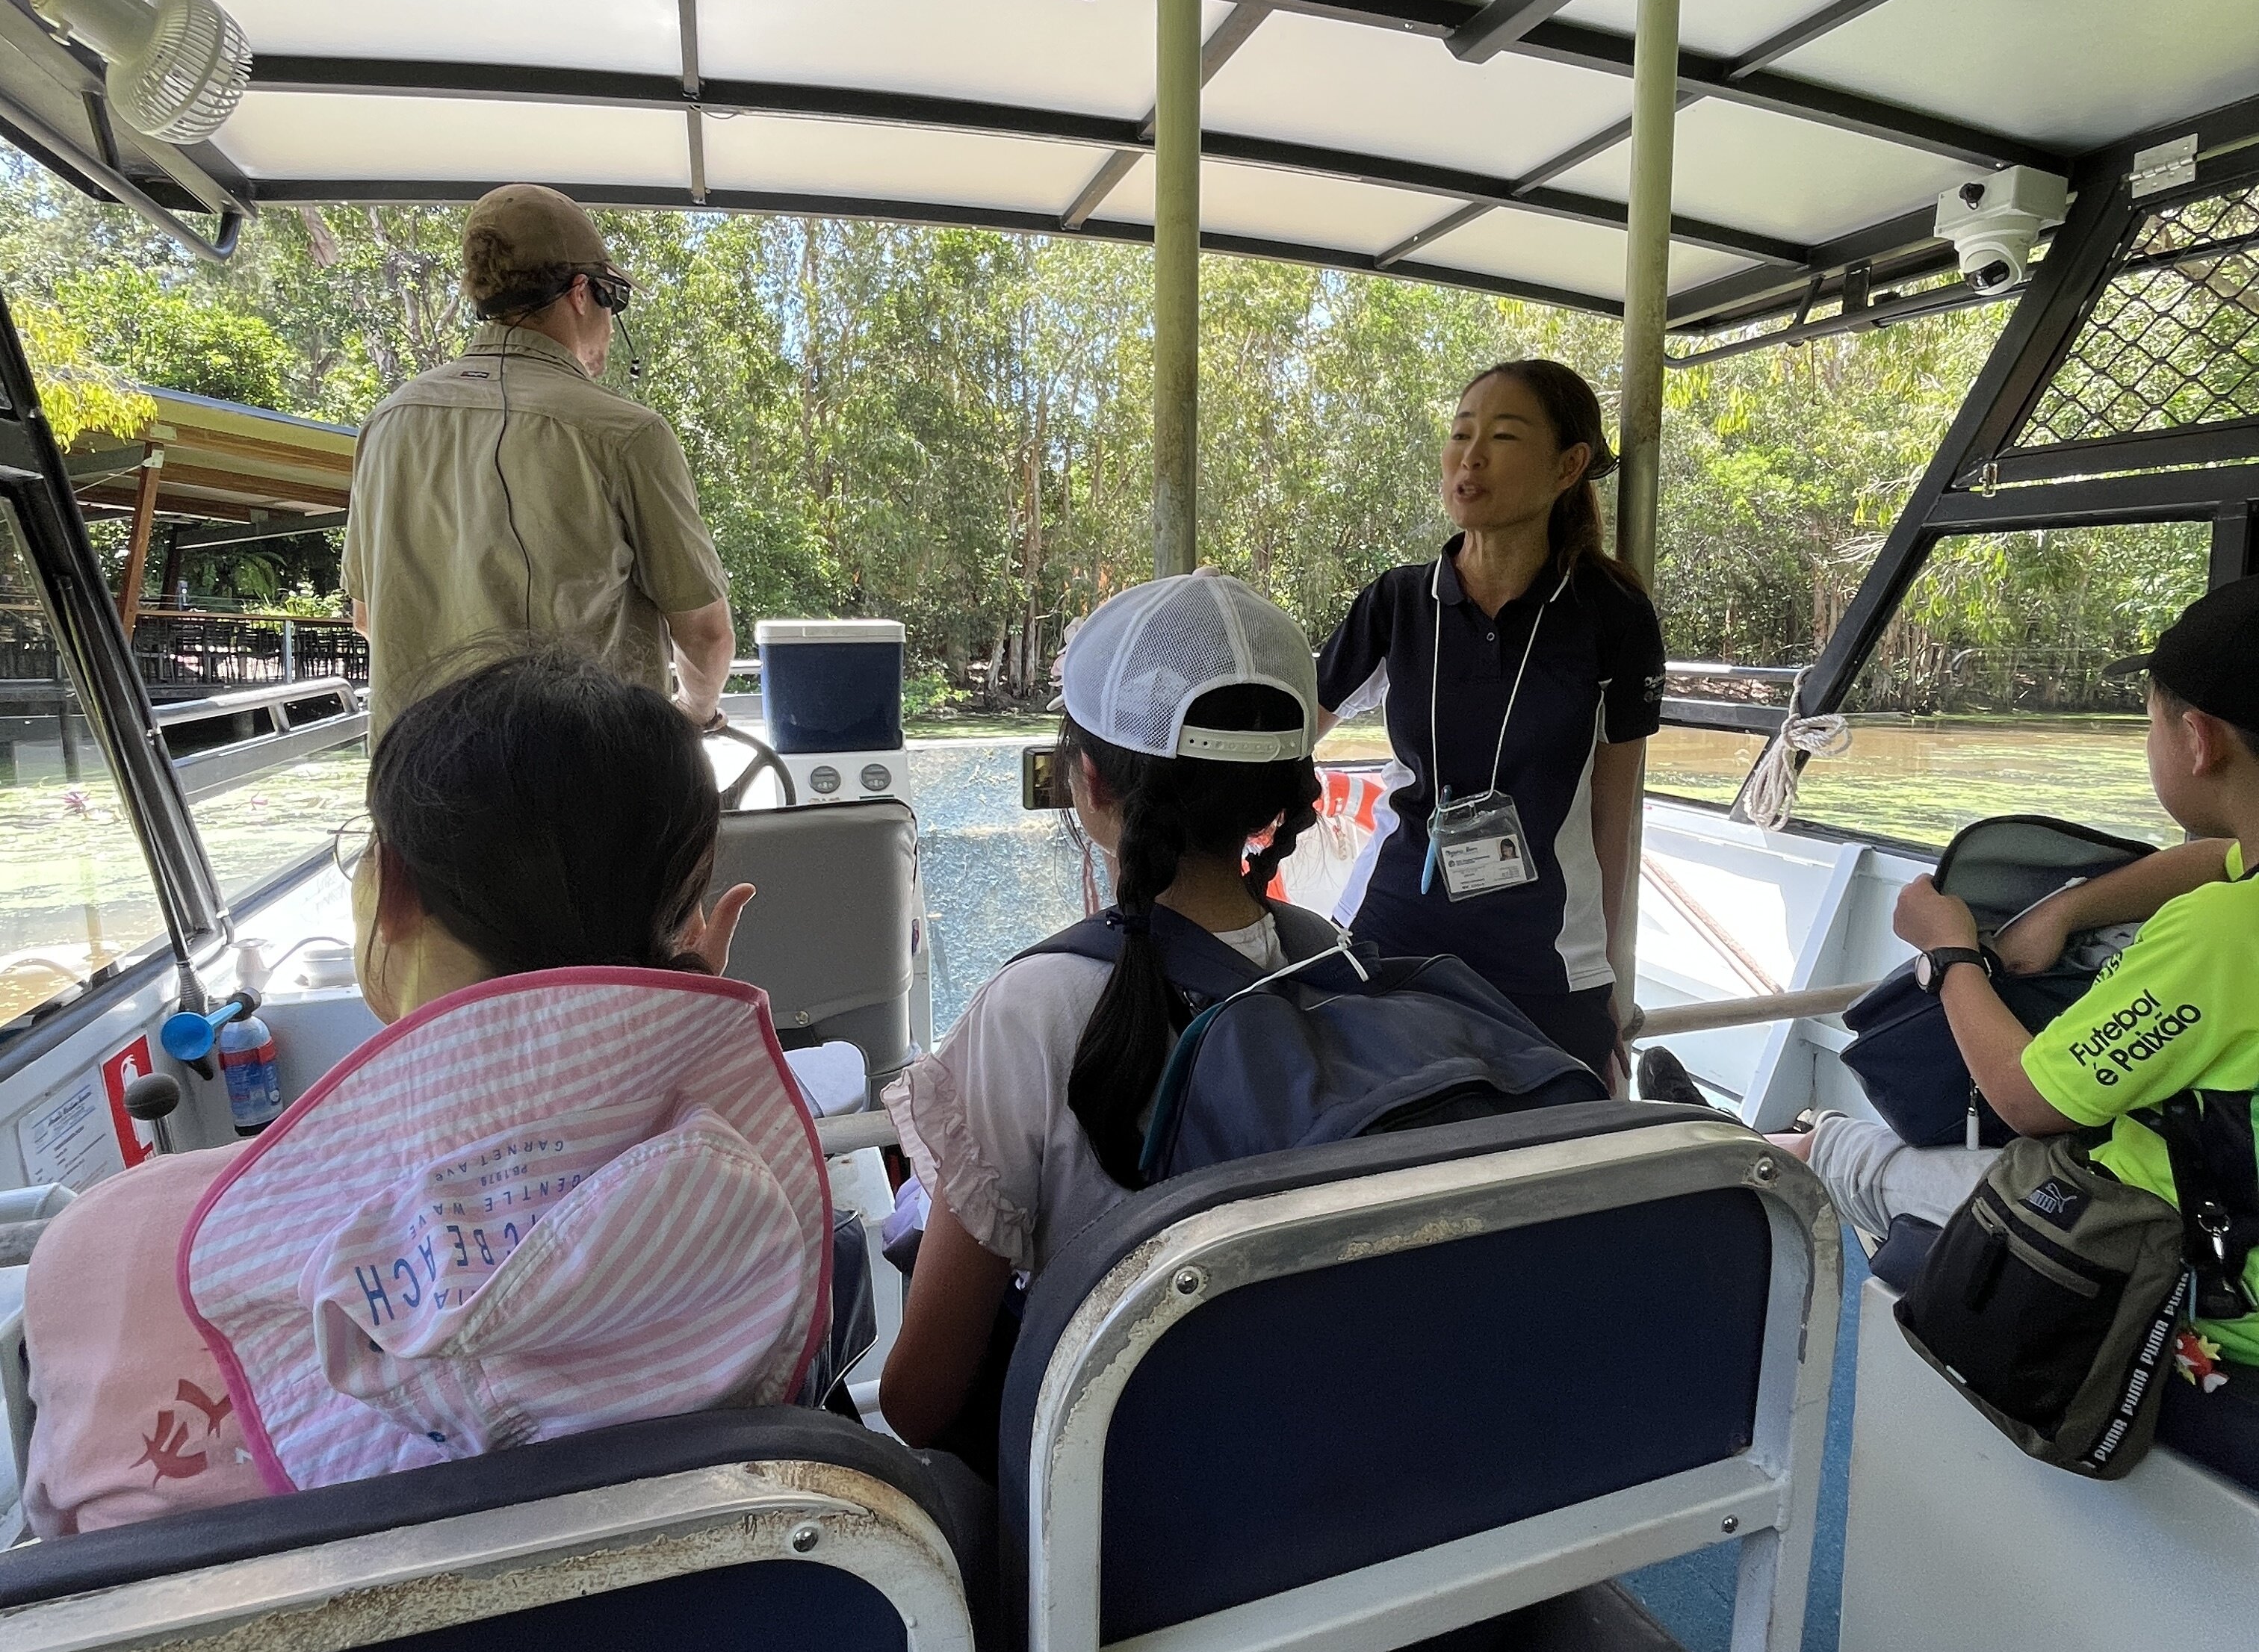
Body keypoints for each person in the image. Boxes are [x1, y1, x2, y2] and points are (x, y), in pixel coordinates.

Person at [22, 650, 831, 1537]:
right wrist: (677, 1045)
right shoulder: (744, 1220)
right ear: (690, 929)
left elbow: (63, 1556)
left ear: (394, 884)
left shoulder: (104, 1246)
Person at [878, 572, 1324, 1450]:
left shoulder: (1033, 1008)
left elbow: (918, 1401)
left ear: (1088, 781)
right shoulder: (1339, 966)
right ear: (1280, 790)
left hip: (1118, 1496)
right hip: (1310, 1451)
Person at [1782, 575, 2259, 1357]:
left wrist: (1950, 951)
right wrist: (2066, 912)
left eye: (2151, 724)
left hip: (2183, 1270)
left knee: (1838, 1155)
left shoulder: (2226, 933)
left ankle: (1749, 1151)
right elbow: (2216, 857)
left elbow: (2026, 1097)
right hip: (2199, 1194)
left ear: (2199, 741)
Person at [1312, 359, 1664, 1088]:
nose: (1469, 457)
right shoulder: (1398, 603)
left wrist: (1610, 979)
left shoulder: (1613, 616)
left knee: (1556, 1147)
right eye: (1460, 433)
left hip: (1545, 960)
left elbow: (1614, 817)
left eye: (1502, 437)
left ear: (1568, 466)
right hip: (1391, 937)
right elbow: (1286, 738)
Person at [341, 184, 735, 739]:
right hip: (579, 777)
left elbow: (367, 617)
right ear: (581, 294)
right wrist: (694, 714)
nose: (611, 322)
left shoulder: (385, 424)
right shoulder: (626, 433)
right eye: (614, 299)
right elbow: (705, 635)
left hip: (416, 781)